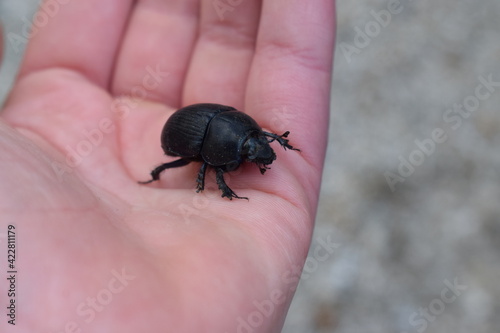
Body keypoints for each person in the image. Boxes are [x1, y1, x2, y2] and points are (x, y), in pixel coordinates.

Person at [0, 1, 335, 332]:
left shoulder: (243, 130)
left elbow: (254, 134)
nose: (257, 151)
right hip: (185, 133)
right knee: (186, 165)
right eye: (252, 150)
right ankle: (157, 176)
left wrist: (276, 141)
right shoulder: (214, 155)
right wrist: (223, 186)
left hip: (216, 128)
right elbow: (213, 167)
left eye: (255, 146)